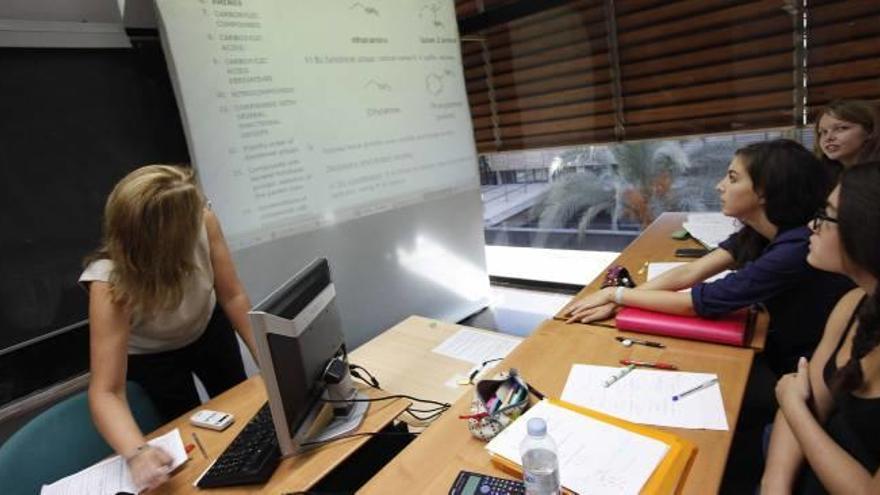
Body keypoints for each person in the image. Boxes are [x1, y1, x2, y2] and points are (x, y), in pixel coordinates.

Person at [564, 139, 853, 376]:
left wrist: (617, 295)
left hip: (804, 365)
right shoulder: (759, 232)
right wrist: (620, 301)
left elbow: (693, 304)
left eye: (732, 178)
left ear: (765, 192)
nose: (720, 186)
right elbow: (689, 274)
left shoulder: (794, 248)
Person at [80, 165, 257, 491]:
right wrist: (138, 456)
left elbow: (233, 296)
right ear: (164, 243)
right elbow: (106, 392)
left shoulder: (204, 220)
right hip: (153, 357)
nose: (202, 215)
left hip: (207, 327)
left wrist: (272, 360)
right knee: (187, 437)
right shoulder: (108, 281)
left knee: (247, 412)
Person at [761, 162, 880, 494]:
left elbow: (796, 400)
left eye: (826, 216)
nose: (813, 225)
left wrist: (793, 405)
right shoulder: (854, 303)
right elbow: (810, 394)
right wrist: (774, 485)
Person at [814, 99, 880, 180]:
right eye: (823, 132)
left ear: (870, 131)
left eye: (841, 128)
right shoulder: (821, 176)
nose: (828, 138)